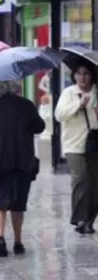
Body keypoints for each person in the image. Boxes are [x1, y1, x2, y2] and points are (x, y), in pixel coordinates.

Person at [0, 81, 45, 257]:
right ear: (17, 89)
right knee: (18, 203)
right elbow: (40, 127)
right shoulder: (26, 105)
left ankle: (0, 238)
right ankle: (18, 241)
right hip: (22, 162)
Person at [55, 61, 98, 234]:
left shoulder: (97, 93)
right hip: (74, 144)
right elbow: (59, 115)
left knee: (94, 183)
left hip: (94, 143)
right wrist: (78, 105)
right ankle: (80, 219)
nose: (82, 77)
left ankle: (89, 220)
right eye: (79, 73)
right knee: (80, 179)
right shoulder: (69, 93)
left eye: (86, 73)